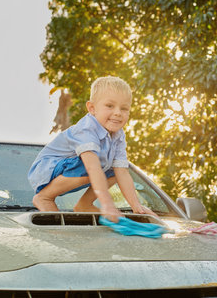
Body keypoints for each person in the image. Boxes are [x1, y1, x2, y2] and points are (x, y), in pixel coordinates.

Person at [28, 76, 155, 222]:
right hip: (47, 169)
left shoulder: (118, 135)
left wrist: (137, 206)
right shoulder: (87, 129)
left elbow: (122, 172)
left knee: (117, 170)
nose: (118, 113)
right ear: (92, 108)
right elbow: (92, 168)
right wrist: (107, 204)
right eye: (110, 106)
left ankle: (84, 205)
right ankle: (45, 197)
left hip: (73, 170)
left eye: (124, 108)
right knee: (94, 164)